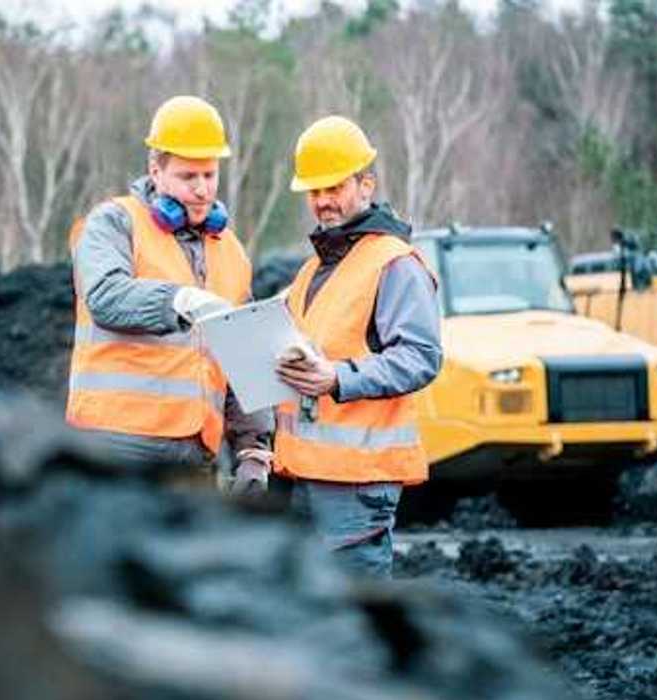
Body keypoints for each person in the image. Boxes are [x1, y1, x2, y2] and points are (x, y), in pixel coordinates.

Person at [66, 95, 272, 487]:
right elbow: (106, 296)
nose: (202, 190)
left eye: (210, 175)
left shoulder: (229, 249)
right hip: (117, 447)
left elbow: (245, 357)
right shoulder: (113, 223)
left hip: (194, 454)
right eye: (187, 177)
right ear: (155, 171)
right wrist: (180, 299)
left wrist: (253, 451)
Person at [272, 115, 443, 578]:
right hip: (303, 475)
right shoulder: (313, 271)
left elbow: (420, 358)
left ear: (365, 184)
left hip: (357, 484)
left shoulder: (394, 263)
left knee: (354, 621)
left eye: (335, 188)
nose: (323, 202)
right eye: (315, 191)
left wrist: (338, 378)